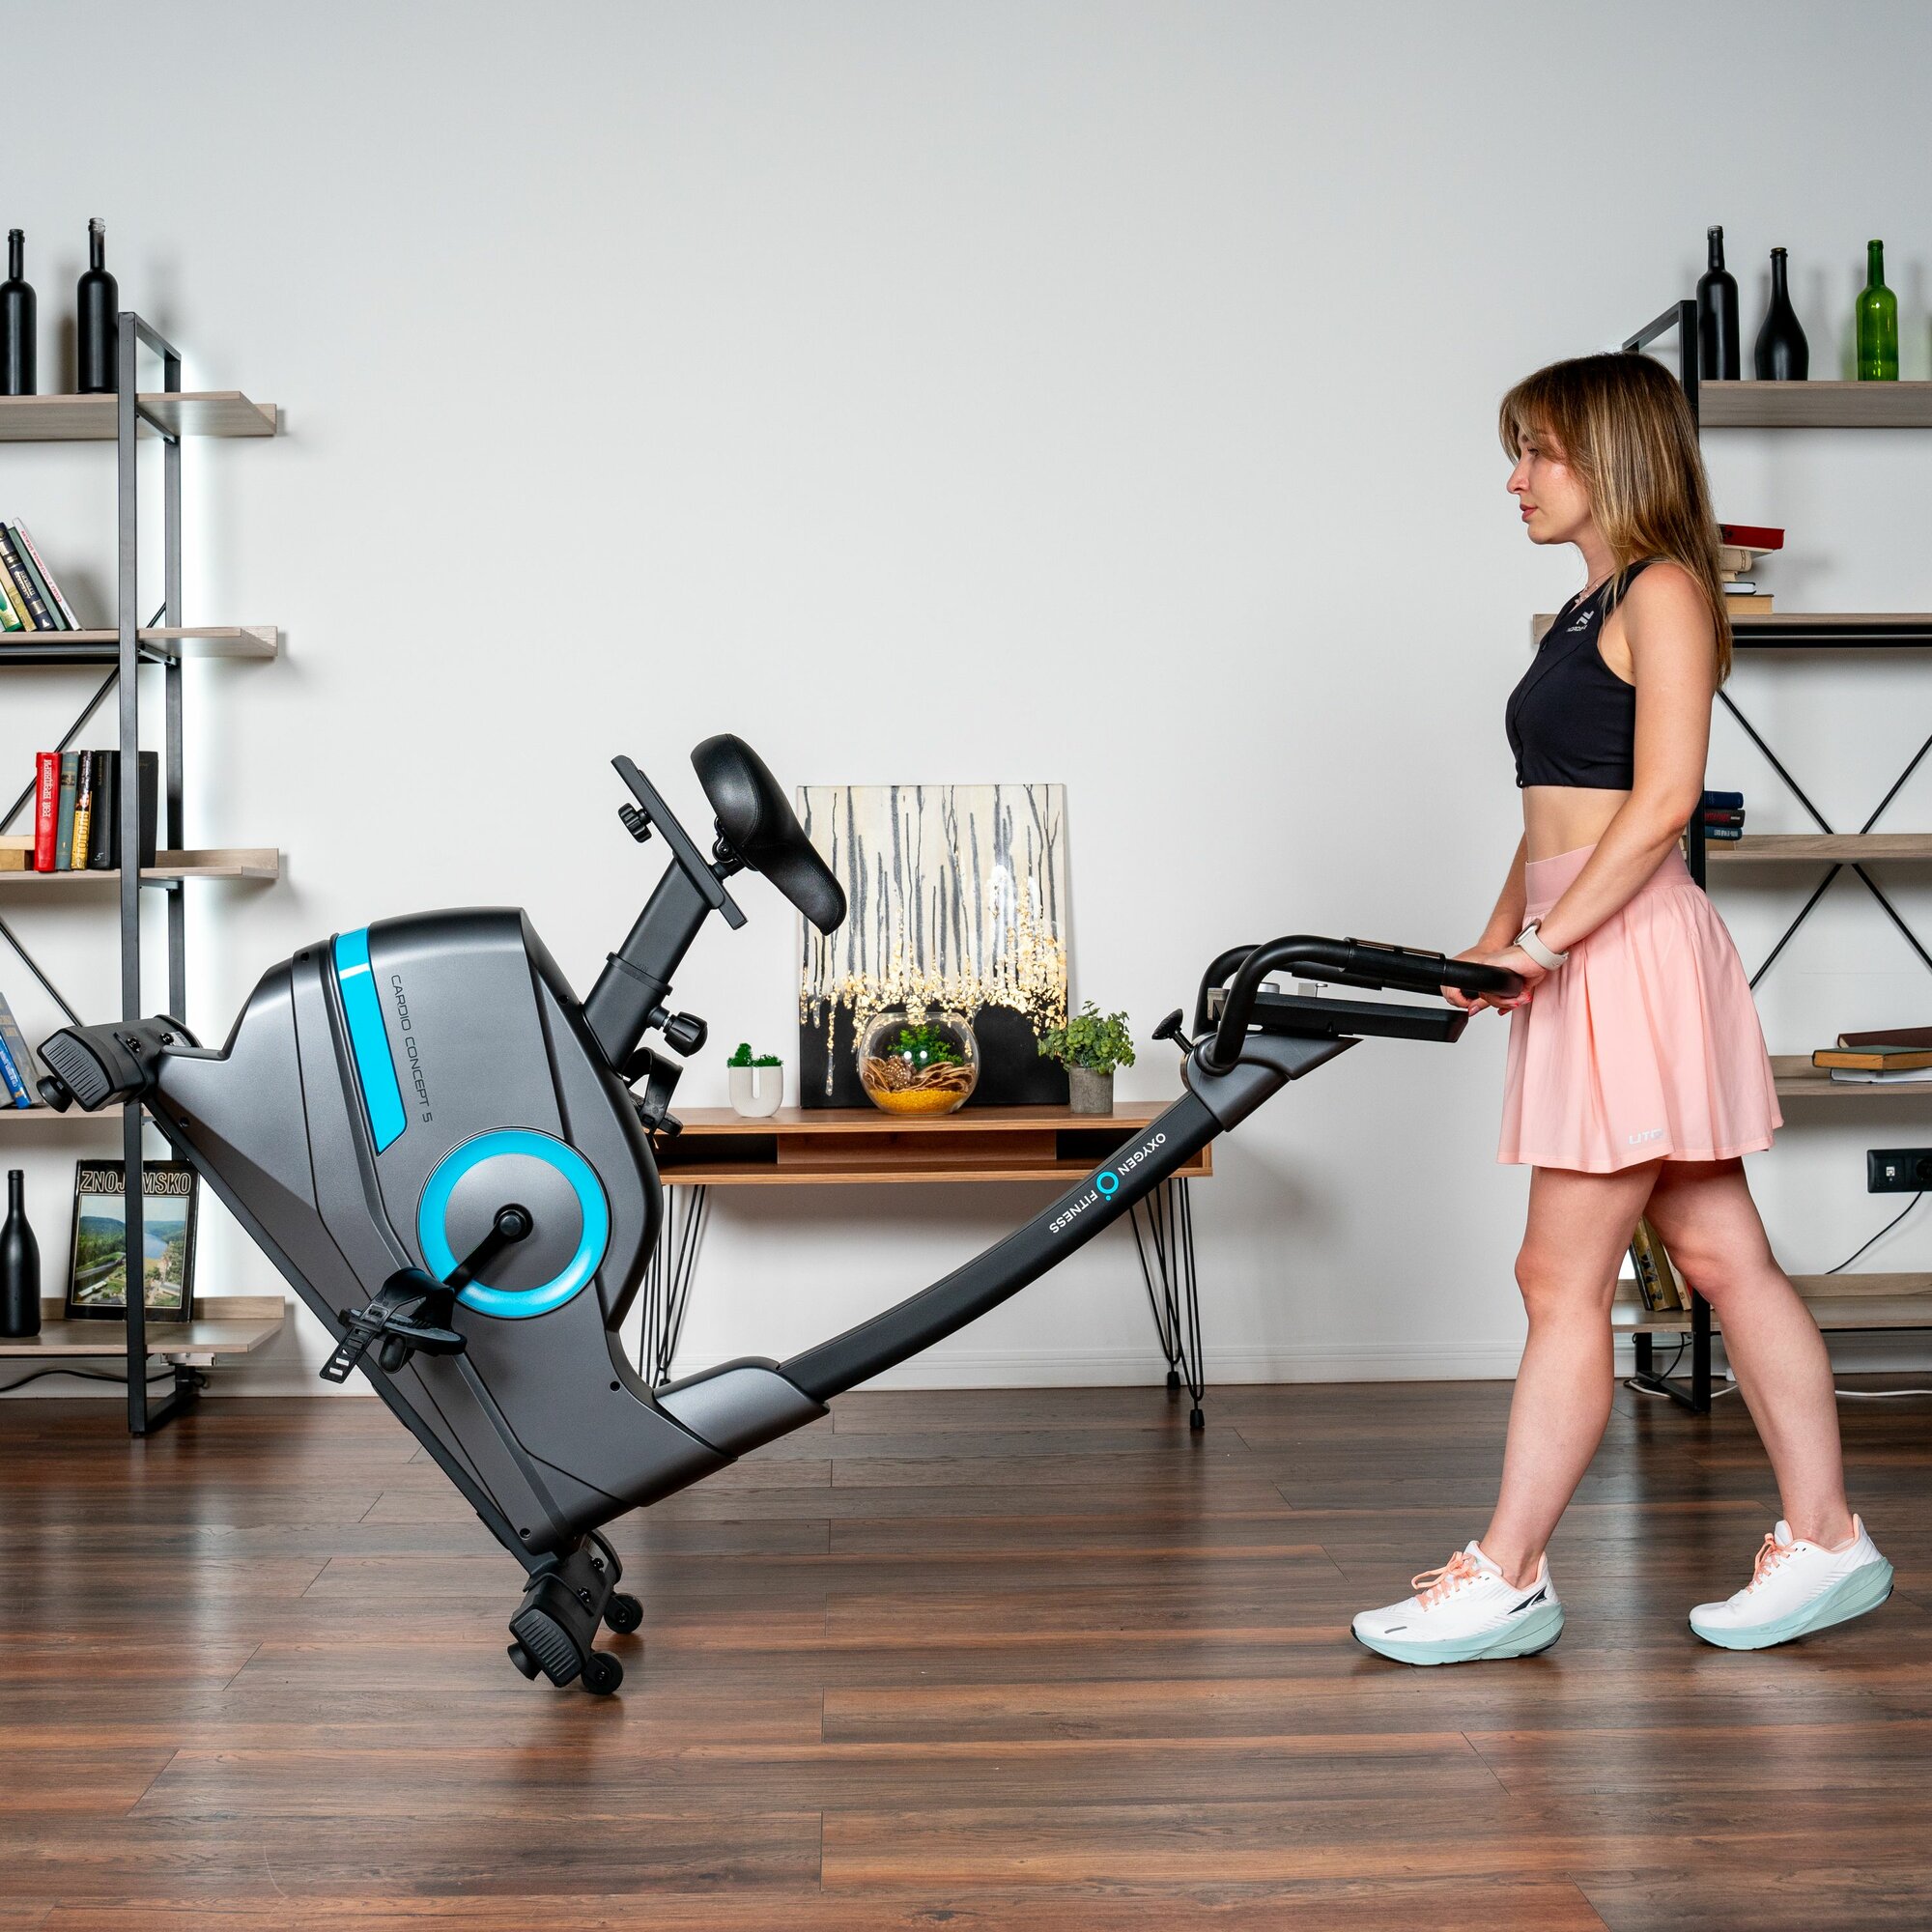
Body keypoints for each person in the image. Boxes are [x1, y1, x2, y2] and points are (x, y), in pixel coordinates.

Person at [1350, 353, 1893, 1666]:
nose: (1516, 478)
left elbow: (1660, 806)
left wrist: (1544, 944)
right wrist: (1497, 941)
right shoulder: (1583, 607)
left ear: (1612, 456)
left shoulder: (1666, 591)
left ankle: (1509, 1574)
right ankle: (1827, 1537)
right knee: (1720, 1254)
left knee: (1559, 1276)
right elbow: (1556, 814)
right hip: (1585, 943)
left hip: (1629, 951)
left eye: (1538, 451)